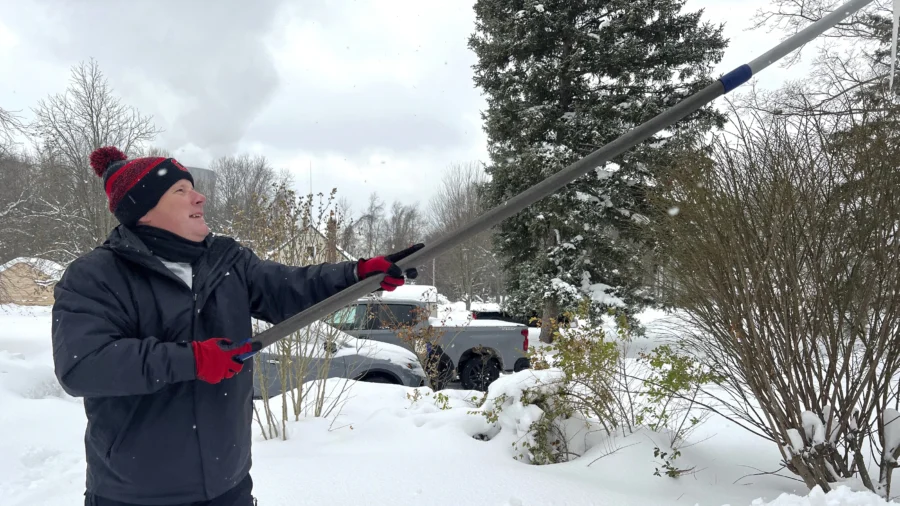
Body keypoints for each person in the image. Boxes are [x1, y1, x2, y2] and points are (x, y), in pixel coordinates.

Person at [51, 146, 421, 506]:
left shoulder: (227, 261)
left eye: (194, 188)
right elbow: (84, 365)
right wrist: (193, 360)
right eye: (181, 190)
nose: (199, 198)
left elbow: (289, 288)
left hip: (228, 486)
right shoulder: (96, 275)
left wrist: (356, 275)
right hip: (135, 493)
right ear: (144, 210)